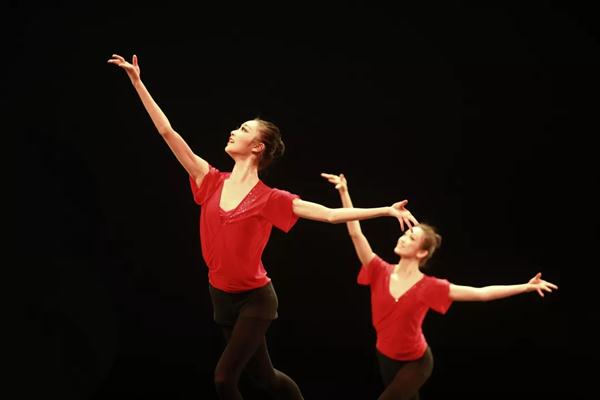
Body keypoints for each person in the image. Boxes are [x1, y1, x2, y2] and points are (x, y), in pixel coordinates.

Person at [107, 53, 419, 400]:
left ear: (257, 147)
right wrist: (138, 82)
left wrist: (385, 210)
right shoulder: (209, 180)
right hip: (220, 295)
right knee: (265, 379)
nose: (232, 131)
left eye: (243, 129)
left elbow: (330, 215)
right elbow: (168, 132)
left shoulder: (271, 199)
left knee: (224, 379)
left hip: (255, 300)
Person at [321, 172, 558, 400]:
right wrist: (344, 192)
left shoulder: (429, 287)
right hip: (385, 355)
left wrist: (525, 286)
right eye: (405, 234)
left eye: (412, 238)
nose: (403, 238)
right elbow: (356, 233)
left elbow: (481, 294)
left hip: (417, 362)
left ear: (422, 253)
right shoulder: (379, 270)